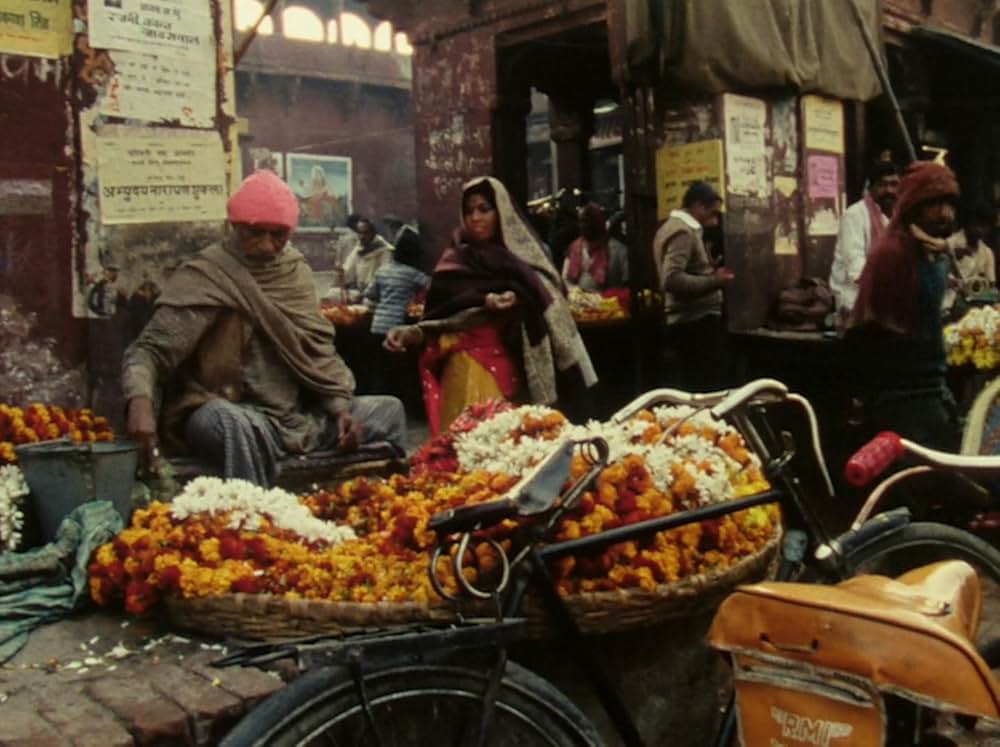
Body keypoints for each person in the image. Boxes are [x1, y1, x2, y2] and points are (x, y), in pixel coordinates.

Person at [122, 170, 406, 486]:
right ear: (235, 227)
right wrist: (140, 403)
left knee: (387, 411)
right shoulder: (209, 275)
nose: (268, 245)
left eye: (279, 235)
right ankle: (259, 518)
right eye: (255, 233)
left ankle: (373, 509)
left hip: (296, 418)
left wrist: (340, 410)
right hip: (230, 411)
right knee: (230, 423)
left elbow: (316, 352)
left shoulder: (294, 271)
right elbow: (148, 351)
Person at [384, 176, 597, 434]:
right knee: (473, 448)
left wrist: (518, 298)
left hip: (522, 367)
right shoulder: (454, 261)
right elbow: (438, 319)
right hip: (466, 369)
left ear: (501, 212)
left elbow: (550, 299)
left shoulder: (525, 259)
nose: (475, 218)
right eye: (469, 211)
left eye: (484, 209)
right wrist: (410, 333)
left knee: (520, 449)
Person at [848, 160, 960, 451]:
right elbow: (886, 332)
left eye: (949, 204)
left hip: (930, 389)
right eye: (934, 204)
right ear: (913, 206)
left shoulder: (929, 250)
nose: (945, 214)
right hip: (903, 397)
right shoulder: (894, 254)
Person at [653, 181, 733, 392]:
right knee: (705, 389)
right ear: (698, 206)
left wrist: (707, 269)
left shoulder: (673, 228)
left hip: (692, 323)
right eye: (711, 212)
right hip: (694, 324)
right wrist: (715, 281)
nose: (714, 221)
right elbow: (671, 279)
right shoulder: (683, 232)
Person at [364, 226, 430, 400]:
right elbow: (432, 287)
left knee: (379, 370)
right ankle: (402, 403)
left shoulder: (382, 270)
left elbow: (370, 294)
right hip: (397, 328)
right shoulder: (412, 274)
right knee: (400, 370)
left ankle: (378, 401)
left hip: (377, 326)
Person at [828, 161, 901, 320]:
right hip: (853, 298)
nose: (889, 190)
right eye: (882, 185)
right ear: (871, 188)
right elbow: (856, 268)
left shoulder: (897, 218)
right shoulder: (854, 215)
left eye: (894, 184)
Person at [939, 202, 997, 315]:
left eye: (984, 226)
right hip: (949, 305)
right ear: (966, 223)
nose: (980, 230)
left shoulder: (988, 253)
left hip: (976, 305)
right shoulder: (949, 245)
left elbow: (991, 287)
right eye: (976, 225)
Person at [562, 203, 629, 292]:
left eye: (587, 221)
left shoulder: (618, 250)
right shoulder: (574, 248)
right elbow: (565, 279)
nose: (583, 226)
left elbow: (626, 286)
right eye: (581, 221)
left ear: (598, 223)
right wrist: (577, 295)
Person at [342, 217, 393, 294]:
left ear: (373, 233)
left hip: (377, 295)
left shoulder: (384, 250)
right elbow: (348, 269)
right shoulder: (359, 248)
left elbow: (383, 277)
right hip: (360, 292)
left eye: (365, 233)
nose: (362, 236)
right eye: (359, 233)